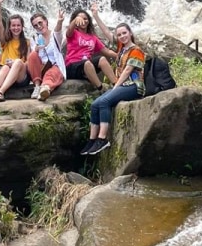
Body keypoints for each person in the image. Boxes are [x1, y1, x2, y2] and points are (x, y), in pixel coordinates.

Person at [81, 23, 145, 155]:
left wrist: (115, 87)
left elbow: (127, 71)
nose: (122, 36)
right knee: (95, 105)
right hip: (122, 86)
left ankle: (102, 139)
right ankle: (92, 140)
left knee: (104, 102)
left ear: (130, 33)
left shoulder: (136, 50)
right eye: (119, 34)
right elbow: (107, 34)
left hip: (134, 86)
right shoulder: (122, 48)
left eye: (124, 33)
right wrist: (96, 15)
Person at [0, 0, 31, 102]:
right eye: (13, 26)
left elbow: (28, 63)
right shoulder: (5, 41)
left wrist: (15, 63)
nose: (16, 28)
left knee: (17, 62)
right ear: (10, 27)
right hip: (5, 73)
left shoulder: (27, 42)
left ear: (22, 27)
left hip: (20, 77)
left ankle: (1, 91)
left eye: (18, 25)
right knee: (6, 66)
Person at [64, 9, 118, 91]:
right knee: (87, 63)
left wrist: (121, 55)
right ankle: (100, 89)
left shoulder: (93, 38)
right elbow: (69, 31)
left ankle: (116, 85)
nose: (83, 21)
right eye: (80, 18)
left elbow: (107, 51)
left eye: (85, 19)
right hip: (72, 67)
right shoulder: (73, 33)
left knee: (102, 59)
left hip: (87, 68)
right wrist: (75, 20)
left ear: (89, 21)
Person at [26, 9, 66, 101]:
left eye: (40, 23)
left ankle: (45, 89)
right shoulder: (34, 38)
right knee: (32, 55)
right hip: (41, 68)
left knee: (51, 73)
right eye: (35, 25)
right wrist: (36, 49)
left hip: (55, 66)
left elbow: (58, 31)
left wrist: (59, 22)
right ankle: (37, 86)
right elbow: (32, 60)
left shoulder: (54, 36)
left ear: (46, 21)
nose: (39, 26)